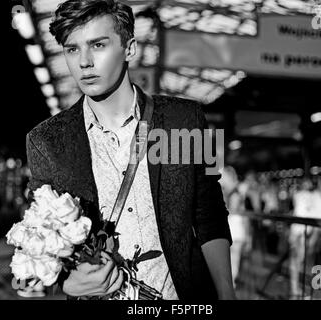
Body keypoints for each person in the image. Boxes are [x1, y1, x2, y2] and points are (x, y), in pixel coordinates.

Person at [26, 0, 234, 300]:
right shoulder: (44, 141)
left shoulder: (188, 119)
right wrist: (66, 284)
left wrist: (226, 293)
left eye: (98, 45)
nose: (84, 61)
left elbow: (211, 210)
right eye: (72, 49)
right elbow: (44, 238)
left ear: (129, 48)